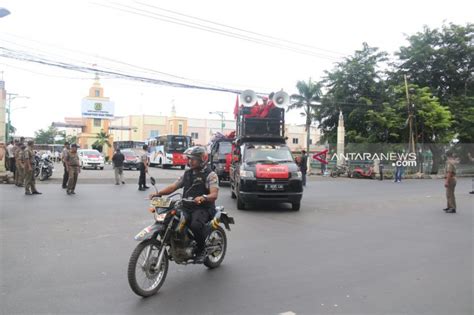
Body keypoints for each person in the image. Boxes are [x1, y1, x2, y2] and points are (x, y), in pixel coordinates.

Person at [149, 146, 219, 262]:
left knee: (195, 225)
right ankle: (177, 243)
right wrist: (158, 194)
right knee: (171, 219)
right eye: (189, 158)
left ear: (202, 159)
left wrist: (203, 197)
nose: (190, 161)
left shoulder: (211, 175)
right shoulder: (187, 174)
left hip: (203, 208)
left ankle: (201, 250)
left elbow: (214, 194)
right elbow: (173, 187)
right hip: (186, 206)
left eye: (193, 159)